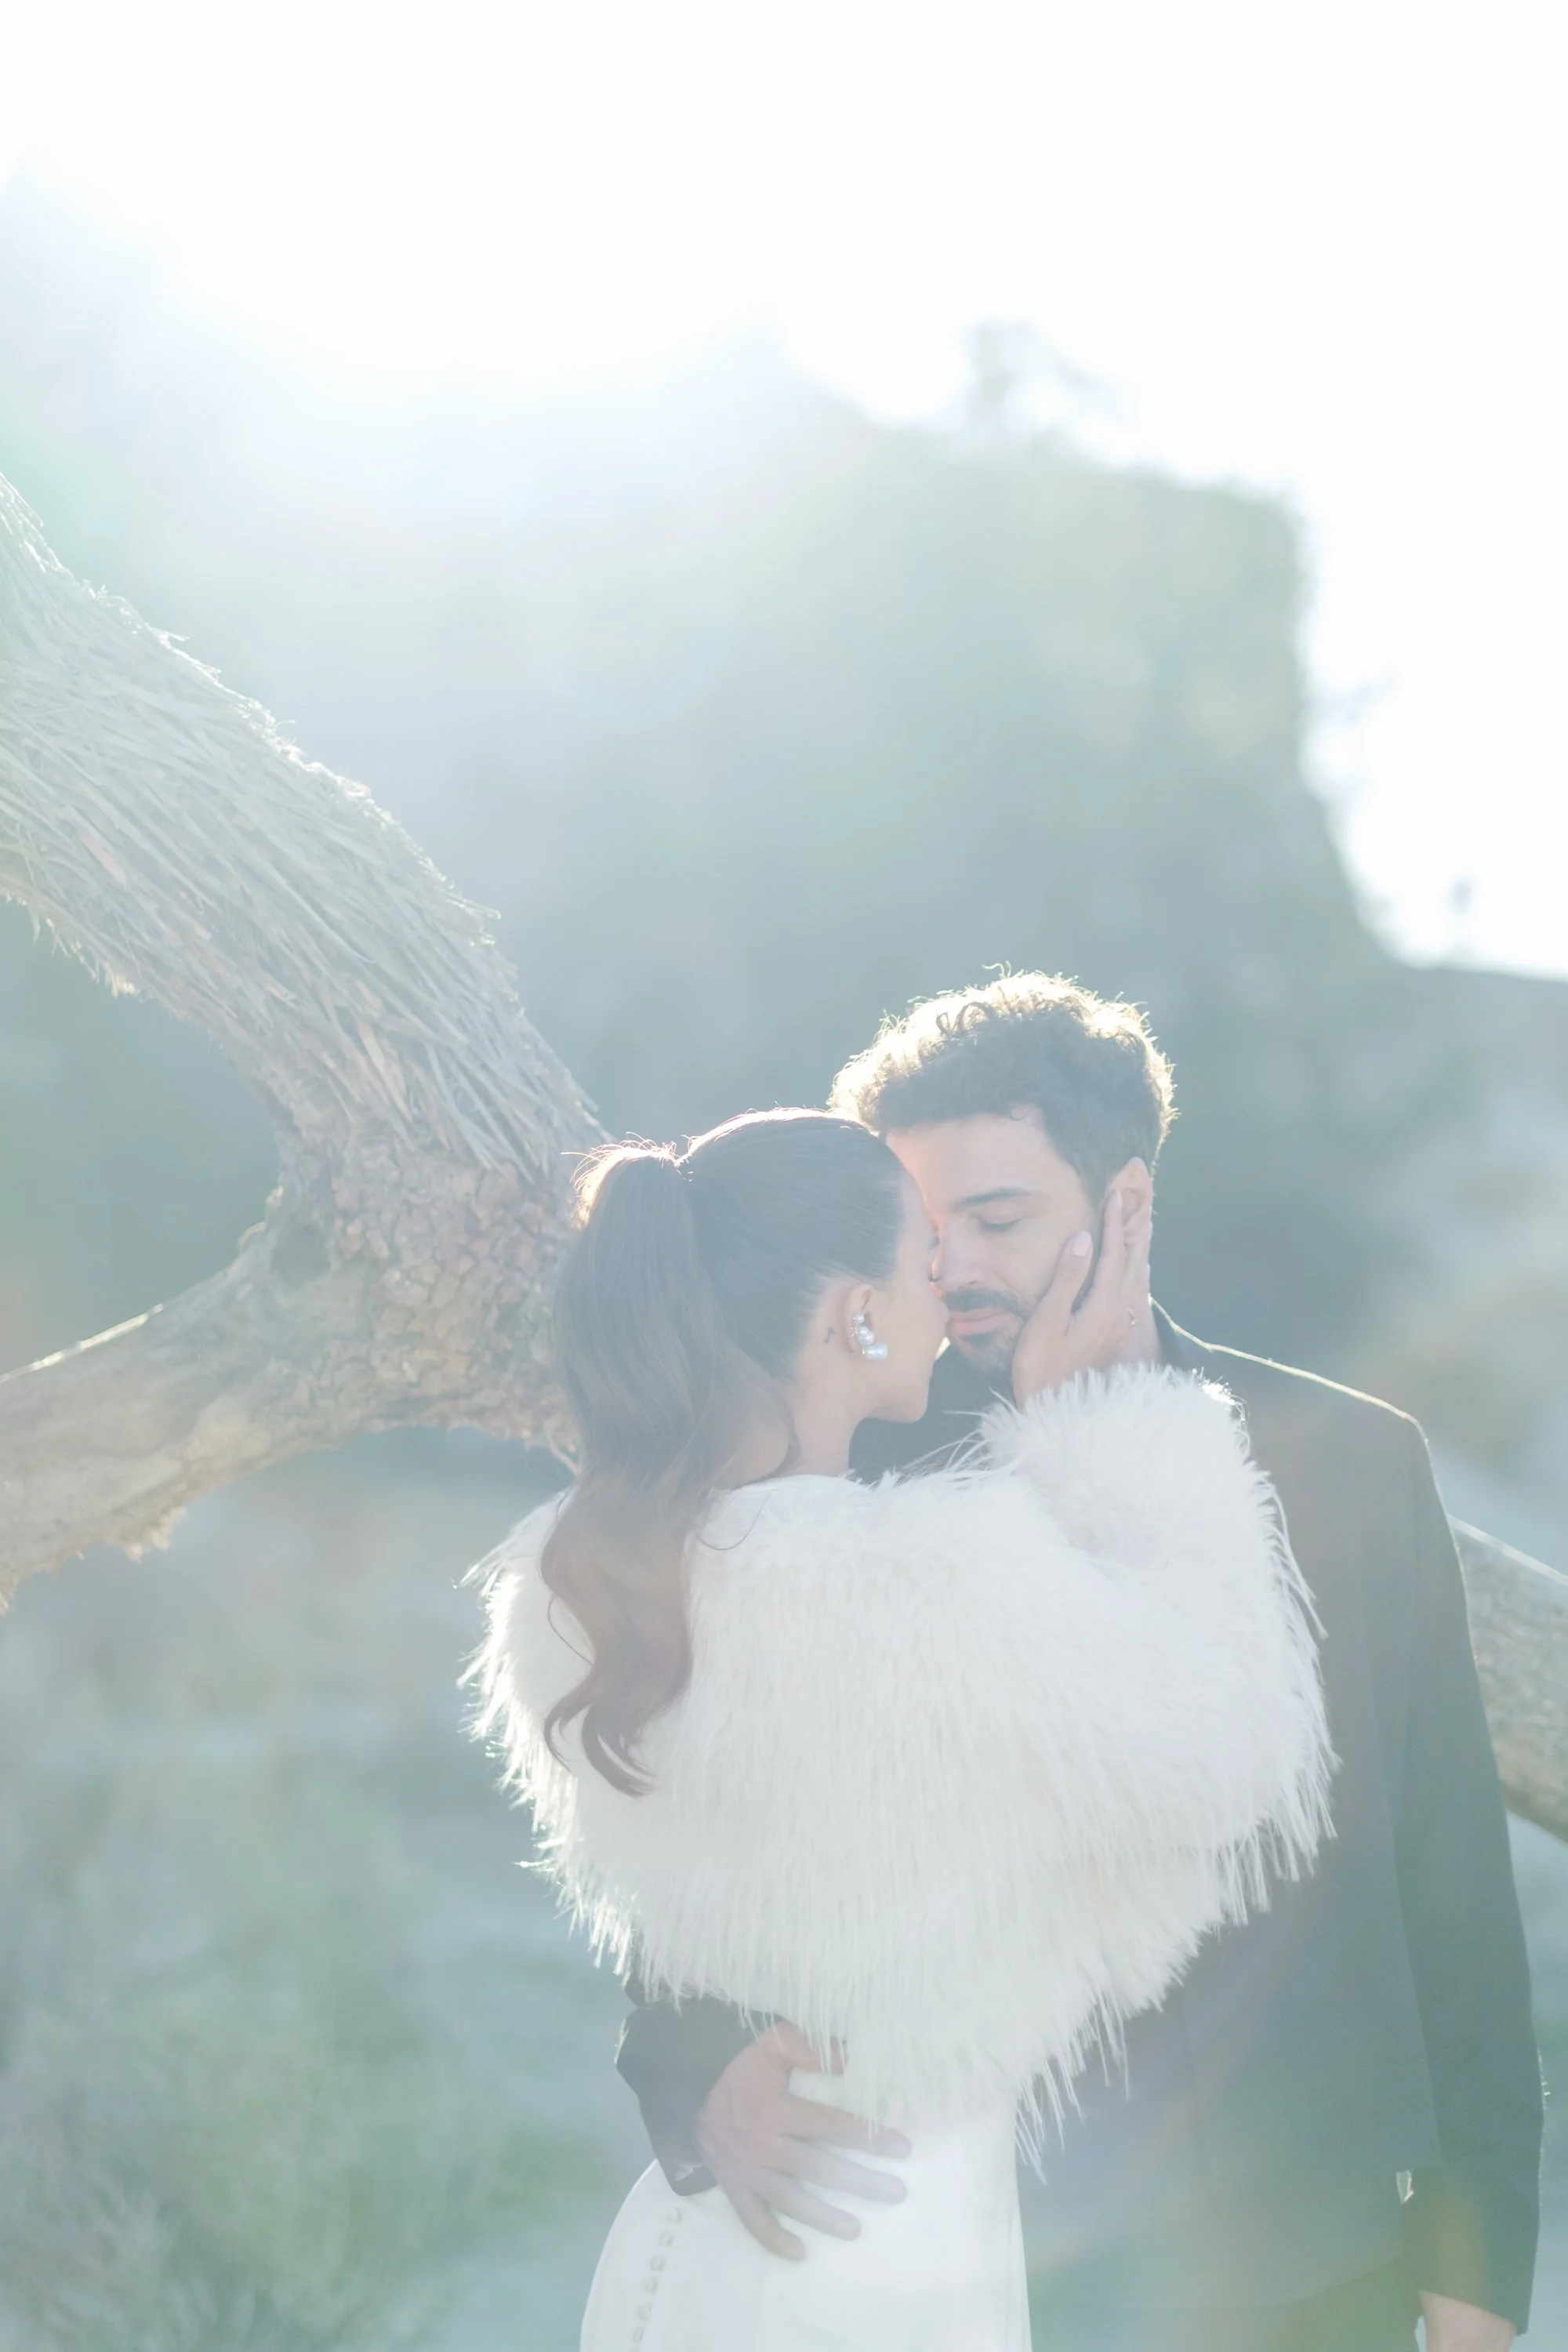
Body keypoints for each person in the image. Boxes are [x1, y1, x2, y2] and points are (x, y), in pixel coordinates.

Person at [614, 978, 1544, 2352]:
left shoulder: (1346, 1460)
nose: (957, 1270)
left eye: (997, 1219)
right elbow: (709, 1818)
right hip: (984, 2258)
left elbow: (1448, 1878)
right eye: (924, 1234)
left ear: (1127, 1209)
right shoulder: (863, 1474)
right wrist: (693, 2075)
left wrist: (1477, 2280)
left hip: (1312, 2261)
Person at [474, 1106, 1331, 2350]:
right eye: (926, 1260)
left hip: (703, 2234)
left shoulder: (591, 1587)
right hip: (873, 2227)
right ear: (858, 1314)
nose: (951, 1291)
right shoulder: (935, 1579)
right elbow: (1235, 1752)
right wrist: (1115, 1424)